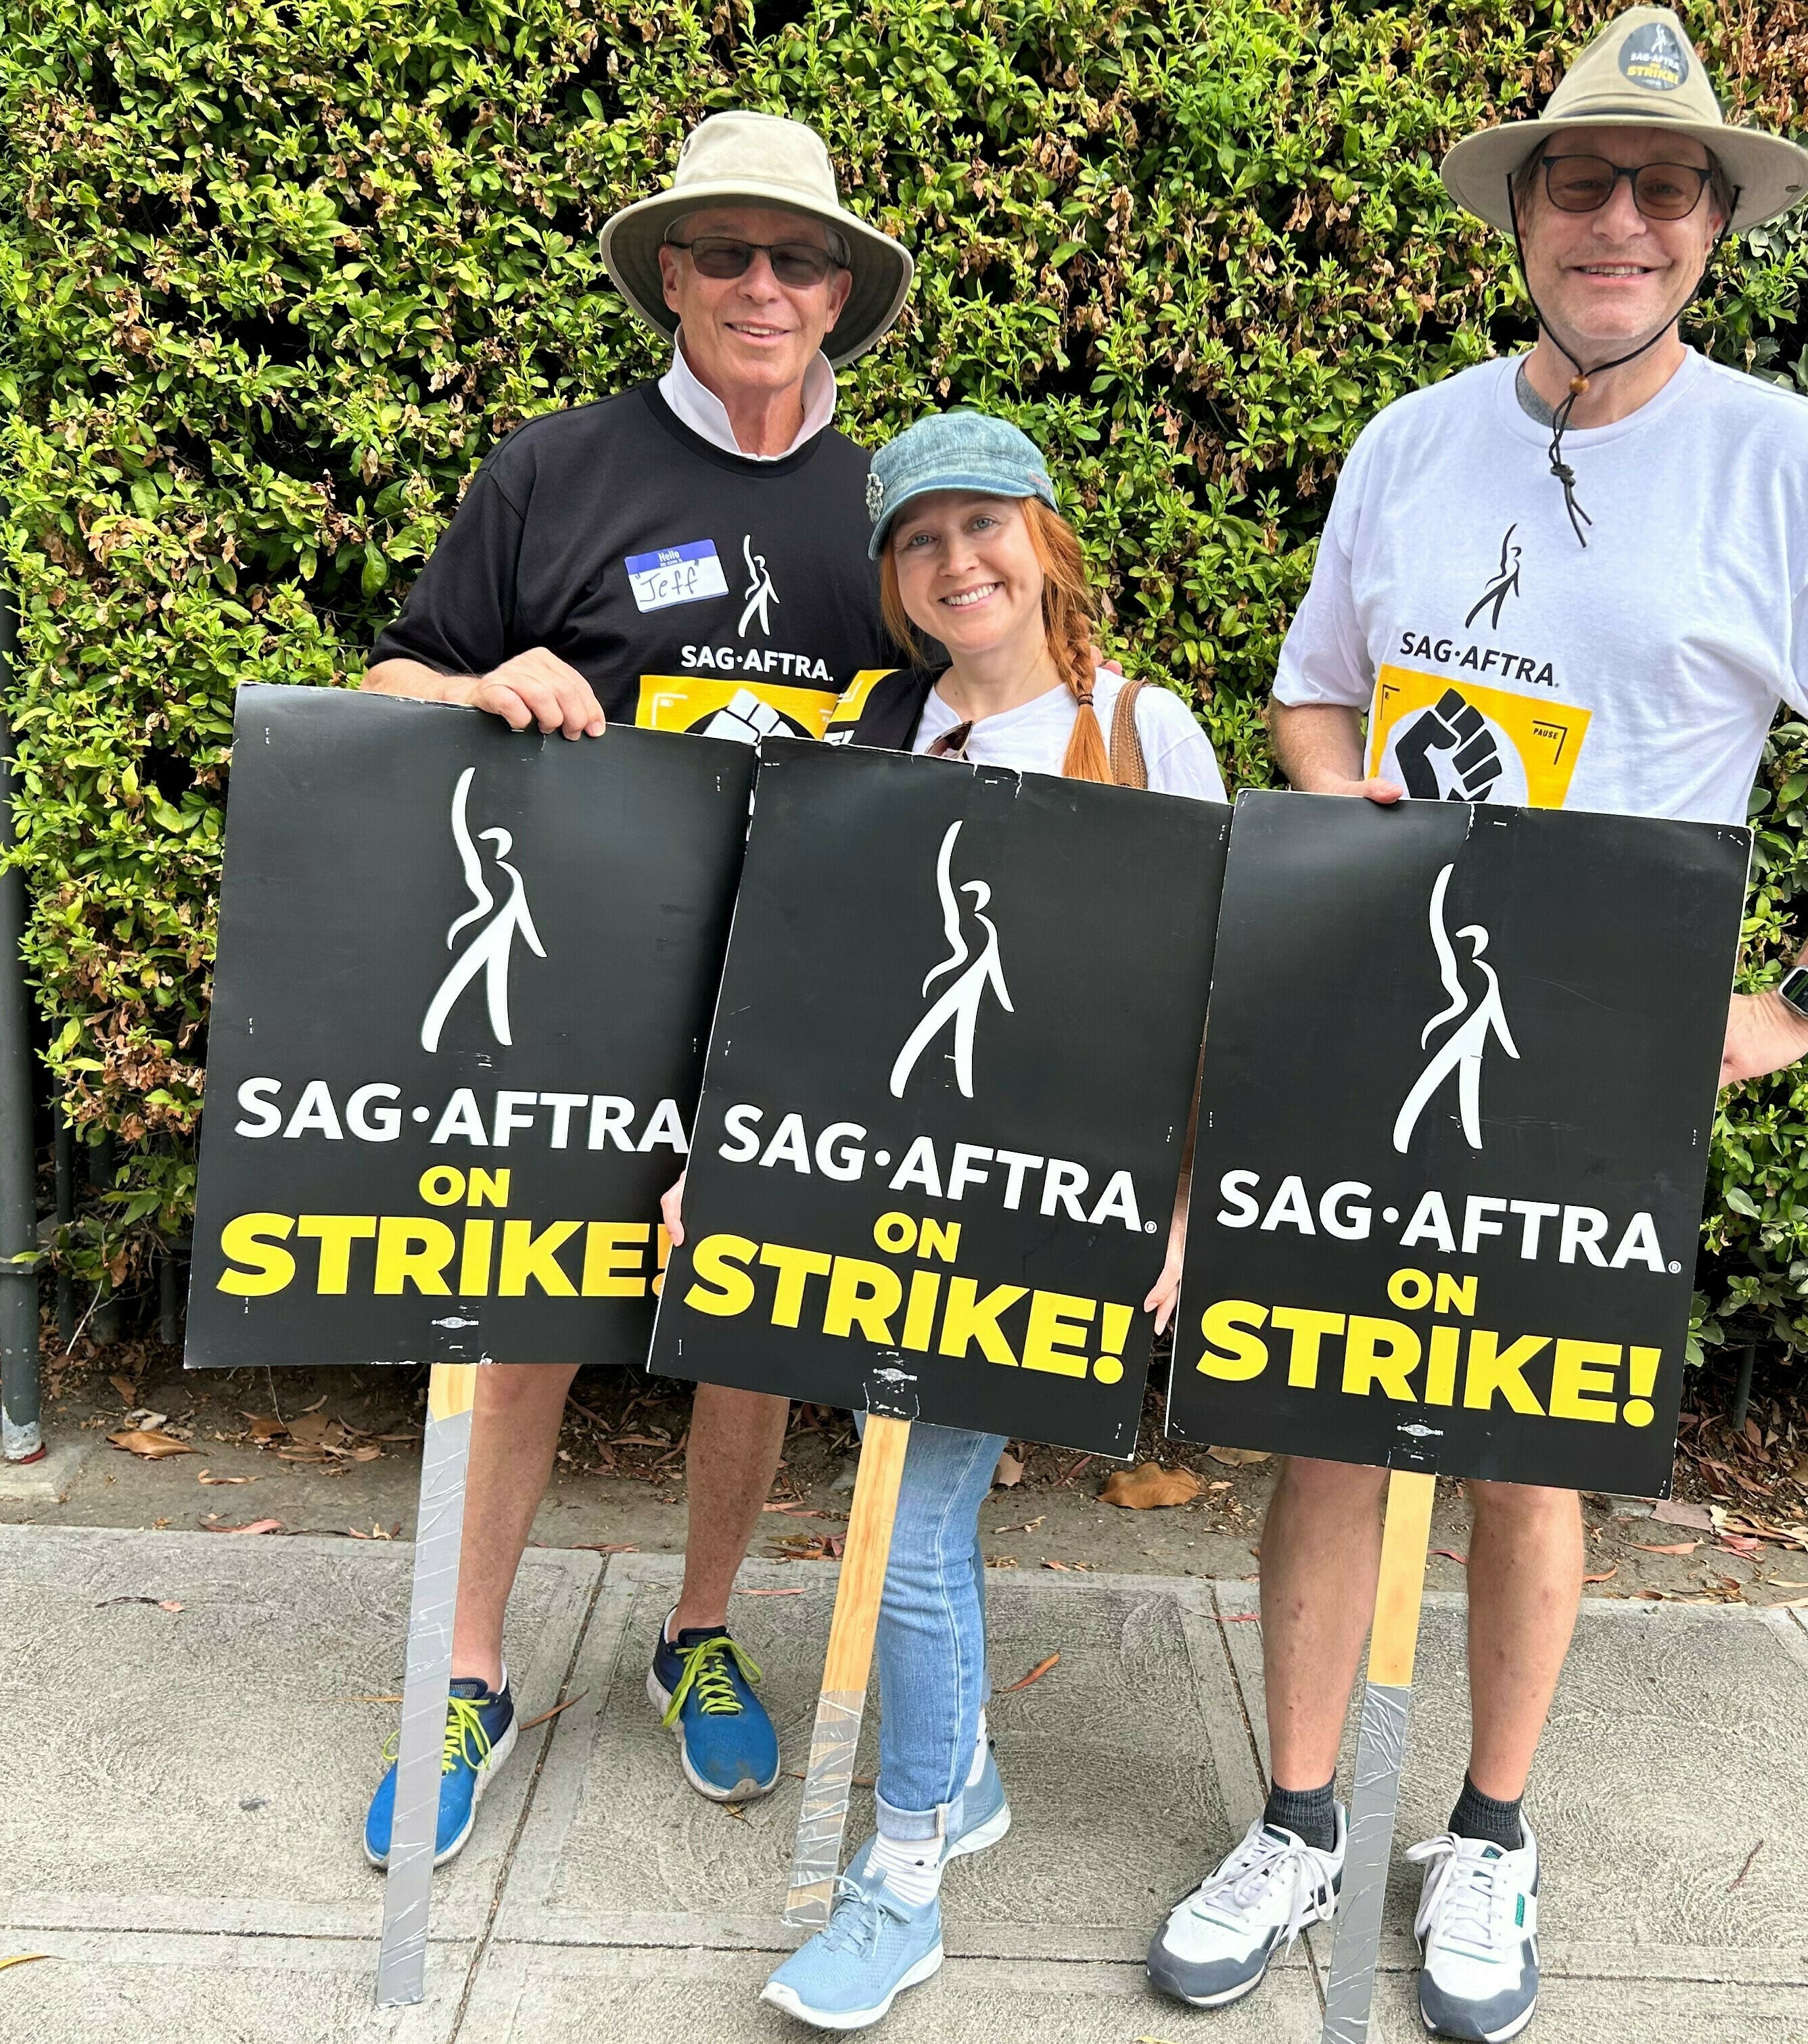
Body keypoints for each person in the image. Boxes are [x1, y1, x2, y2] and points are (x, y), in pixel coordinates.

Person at [1145, 10, 1808, 2039]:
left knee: (1531, 1454)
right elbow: (1309, 690)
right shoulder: (1409, 436)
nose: (1617, 220)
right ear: (1521, 212)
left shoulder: (1780, 464)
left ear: (1709, 226)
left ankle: (1491, 1833)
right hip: (1372, 1005)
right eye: (1579, 183)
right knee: (1324, 1417)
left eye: (1662, 188)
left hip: (1592, 1051)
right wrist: (1341, 781)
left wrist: (1792, 1000)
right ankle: (1294, 1817)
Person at [357, 110, 914, 1868]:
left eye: (797, 256)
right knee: (523, 1316)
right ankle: (465, 1672)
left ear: (839, 290)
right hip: (566, 987)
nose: (764, 284)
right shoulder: (553, 472)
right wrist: (476, 686)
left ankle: (694, 1629)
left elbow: (973, 731)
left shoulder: (900, 510)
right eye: (728, 252)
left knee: (742, 1330)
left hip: (794, 1000)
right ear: (669, 271)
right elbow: (386, 683)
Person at [657, 409, 1226, 2029]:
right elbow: (803, 990)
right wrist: (729, 1164)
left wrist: (1176, 1220)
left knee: (904, 1524)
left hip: (1050, 1211)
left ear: (1048, 540)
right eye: (920, 538)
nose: (956, 559)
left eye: (984, 524)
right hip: (875, 1204)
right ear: (896, 582)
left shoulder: (1139, 726)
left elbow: (1203, 998)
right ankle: (957, 1768)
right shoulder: (878, 740)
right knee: (922, 1515)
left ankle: (899, 1874)